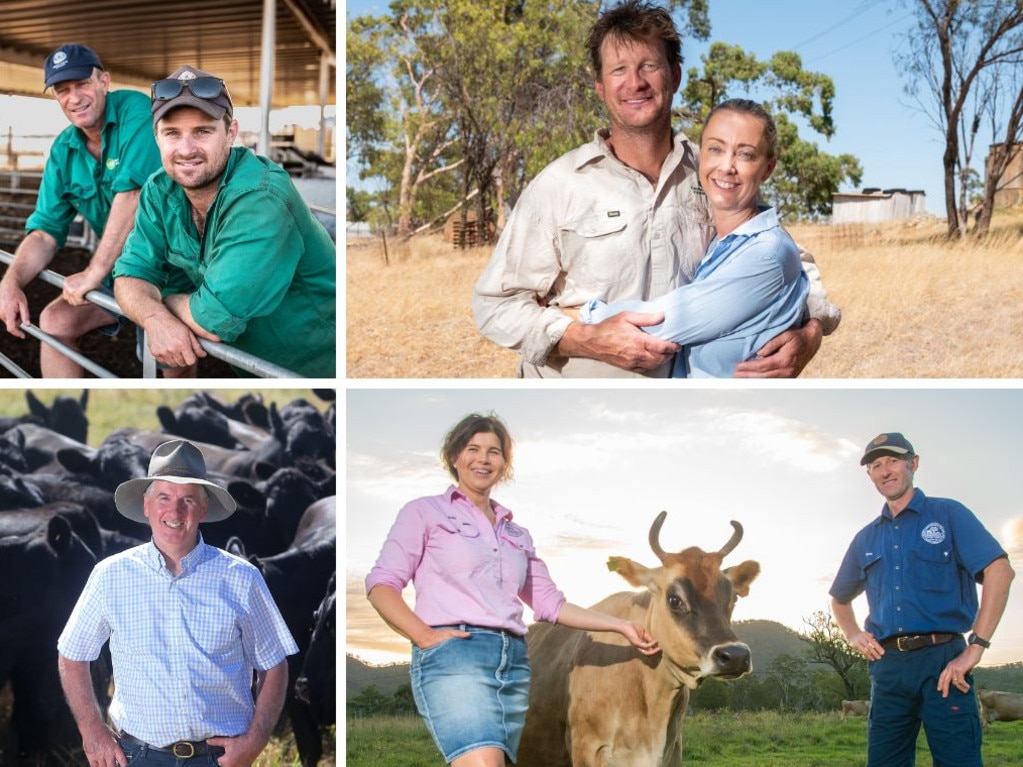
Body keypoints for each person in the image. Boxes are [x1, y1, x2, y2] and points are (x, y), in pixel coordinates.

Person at [473, 0, 840, 378]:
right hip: (575, 403)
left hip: (678, 408)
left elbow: (791, 263)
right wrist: (581, 337)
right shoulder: (559, 184)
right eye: (619, 70)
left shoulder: (712, 174)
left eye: (649, 65)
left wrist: (809, 334)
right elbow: (494, 306)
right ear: (600, 86)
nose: (635, 82)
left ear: (675, 76)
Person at [366, 413, 660, 767]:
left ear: (505, 464)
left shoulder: (516, 534)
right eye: (472, 449)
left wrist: (620, 626)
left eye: (494, 452)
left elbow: (551, 604)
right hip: (457, 656)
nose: (483, 459)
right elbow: (381, 584)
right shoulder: (424, 513)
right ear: (454, 456)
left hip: (516, 664)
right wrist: (424, 636)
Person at [57, 439, 298, 767]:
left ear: (203, 508)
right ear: (146, 505)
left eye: (187, 500)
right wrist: (92, 730)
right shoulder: (110, 575)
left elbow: (275, 664)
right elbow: (72, 656)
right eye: (164, 498)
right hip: (137, 756)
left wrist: (256, 739)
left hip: (219, 759)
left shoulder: (242, 577)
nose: (174, 512)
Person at [111, 65, 336, 378]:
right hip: (251, 365)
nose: (186, 150)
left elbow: (211, 320)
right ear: (156, 137)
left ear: (231, 133)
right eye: (172, 133)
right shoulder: (159, 189)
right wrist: (153, 318)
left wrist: (163, 301)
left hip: (316, 368)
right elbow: (129, 274)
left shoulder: (261, 197)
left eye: (203, 131)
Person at [578, 99, 808, 377]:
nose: (726, 166)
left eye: (745, 154)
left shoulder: (766, 253)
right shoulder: (723, 239)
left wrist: (577, 314)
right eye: (715, 149)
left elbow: (656, 323)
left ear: (767, 168)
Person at [829, 432, 1015, 767]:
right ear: (869, 475)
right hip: (888, 668)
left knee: (959, 761)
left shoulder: (948, 514)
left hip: (944, 663)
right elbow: (839, 599)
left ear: (913, 464)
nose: (885, 470)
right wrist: (853, 634)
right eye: (876, 464)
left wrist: (976, 647)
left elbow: (999, 571)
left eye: (893, 460)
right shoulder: (866, 538)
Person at [0, 43, 161, 377]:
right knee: (54, 321)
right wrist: (11, 281)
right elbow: (45, 231)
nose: (74, 97)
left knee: (168, 358)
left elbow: (131, 195)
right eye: (63, 90)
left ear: (104, 81)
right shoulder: (63, 150)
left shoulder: (136, 110)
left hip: (170, 267)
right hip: (118, 268)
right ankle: (64, 418)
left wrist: (94, 271)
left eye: (82, 84)